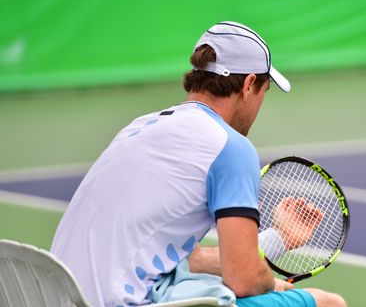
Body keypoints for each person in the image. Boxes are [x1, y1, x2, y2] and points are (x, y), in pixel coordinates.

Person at [51, 21, 347, 307]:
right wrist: (267, 281)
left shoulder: (138, 128)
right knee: (328, 304)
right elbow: (243, 279)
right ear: (248, 85)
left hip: (55, 297)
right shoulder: (230, 147)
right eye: (264, 92)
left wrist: (279, 238)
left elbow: (187, 261)